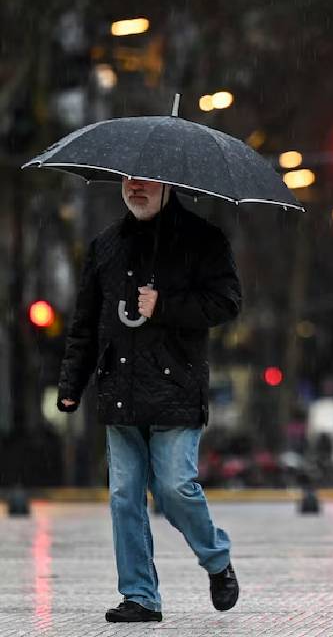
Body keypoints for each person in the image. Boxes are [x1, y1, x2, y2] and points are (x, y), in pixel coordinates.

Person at [57, 178, 242, 622]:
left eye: (146, 181)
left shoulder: (203, 239)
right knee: (124, 496)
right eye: (128, 179)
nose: (134, 188)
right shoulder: (105, 246)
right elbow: (85, 323)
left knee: (174, 488)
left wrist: (166, 304)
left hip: (176, 388)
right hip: (119, 389)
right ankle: (139, 595)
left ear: (169, 185)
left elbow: (227, 302)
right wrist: (71, 385)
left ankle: (216, 560)